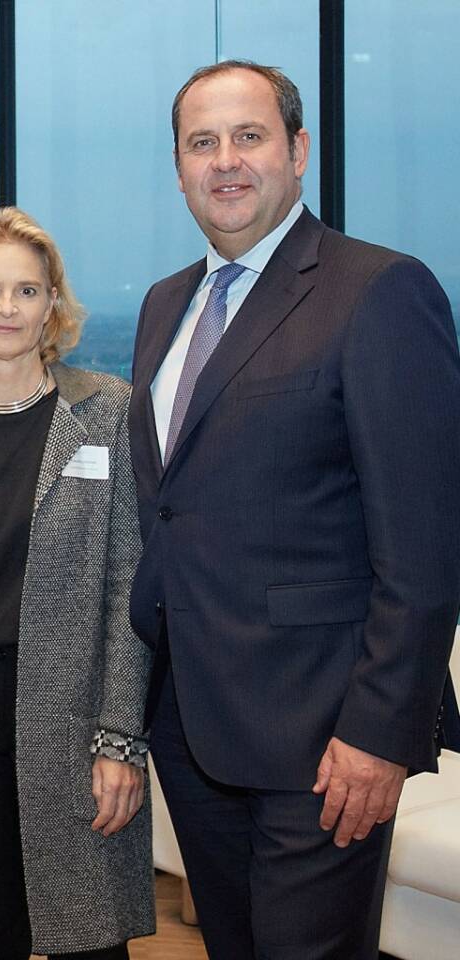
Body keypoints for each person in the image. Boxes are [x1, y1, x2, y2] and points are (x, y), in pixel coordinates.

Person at [129, 59, 460, 959]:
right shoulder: (167, 306)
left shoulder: (379, 292)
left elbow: (423, 552)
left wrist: (379, 735)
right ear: (178, 165)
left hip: (323, 739)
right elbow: (172, 510)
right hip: (193, 723)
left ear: (299, 150)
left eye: (249, 136)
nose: (225, 161)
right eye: (203, 142)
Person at [0, 208, 154, 960]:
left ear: (52, 303)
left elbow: (127, 588)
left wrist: (120, 739)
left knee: (90, 936)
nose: (6, 308)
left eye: (25, 290)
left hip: (75, 716)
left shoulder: (108, 412)